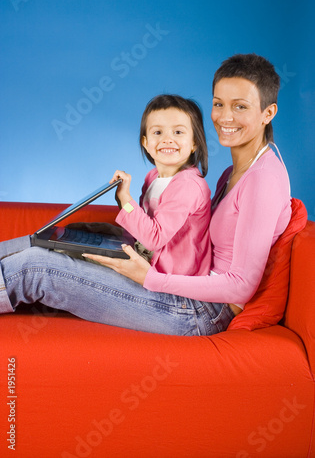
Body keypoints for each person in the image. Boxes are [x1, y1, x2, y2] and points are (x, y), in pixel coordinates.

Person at [0, 54, 291, 336]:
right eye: (218, 104)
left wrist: (151, 278)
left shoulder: (264, 179)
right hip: (180, 288)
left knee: (36, 268)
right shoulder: (232, 174)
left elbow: (240, 286)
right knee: (52, 240)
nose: (225, 117)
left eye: (240, 106)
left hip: (198, 312)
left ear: (268, 113)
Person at [107, 94, 211, 276]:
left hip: (169, 278)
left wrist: (125, 198)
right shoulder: (153, 177)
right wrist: (121, 198)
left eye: (178, 132)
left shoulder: (188, 185)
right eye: (158, 132)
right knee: (81, 232)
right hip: (145, 255)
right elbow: (140, 224)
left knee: (75, 256)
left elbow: (153, 238)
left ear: (194, 143)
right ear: (145, 143)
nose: (167, 139)